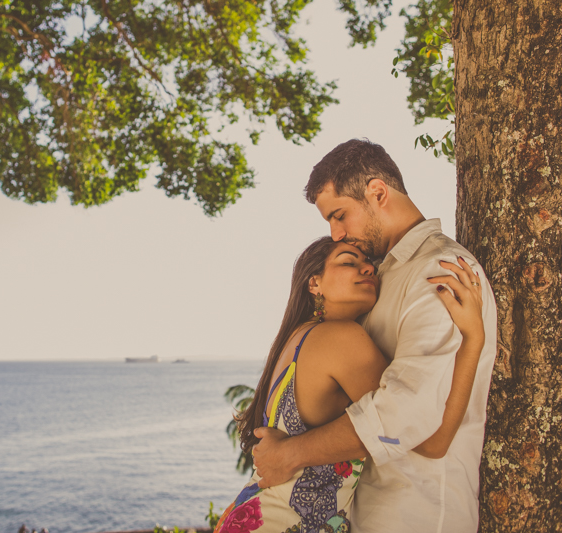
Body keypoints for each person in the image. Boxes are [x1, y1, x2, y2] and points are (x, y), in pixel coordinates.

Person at [251, 139, 497, 532]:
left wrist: (292, 453)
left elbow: (409, 419)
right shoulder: (378, 279)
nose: (335, 234)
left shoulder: (438, 271)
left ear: (377, 192)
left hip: (416, 513)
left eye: (339, 215)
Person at [212, 235, 485, 533]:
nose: (367, 268)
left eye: (367, 262)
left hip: (252, 513)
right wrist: (473, 339)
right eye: (348, 261)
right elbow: (431, 441)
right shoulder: (342, 339)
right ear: (314, 283)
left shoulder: (299, 338)